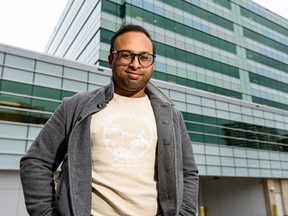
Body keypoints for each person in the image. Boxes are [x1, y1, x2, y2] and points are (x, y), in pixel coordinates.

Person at [20, 24, 199, 216]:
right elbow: (35, 162)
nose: (135, 64)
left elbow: (188, 172)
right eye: (126, 55)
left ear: (152, 63)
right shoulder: (75, 106)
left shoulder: (171, 115)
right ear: (111, 60)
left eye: (144, 57)